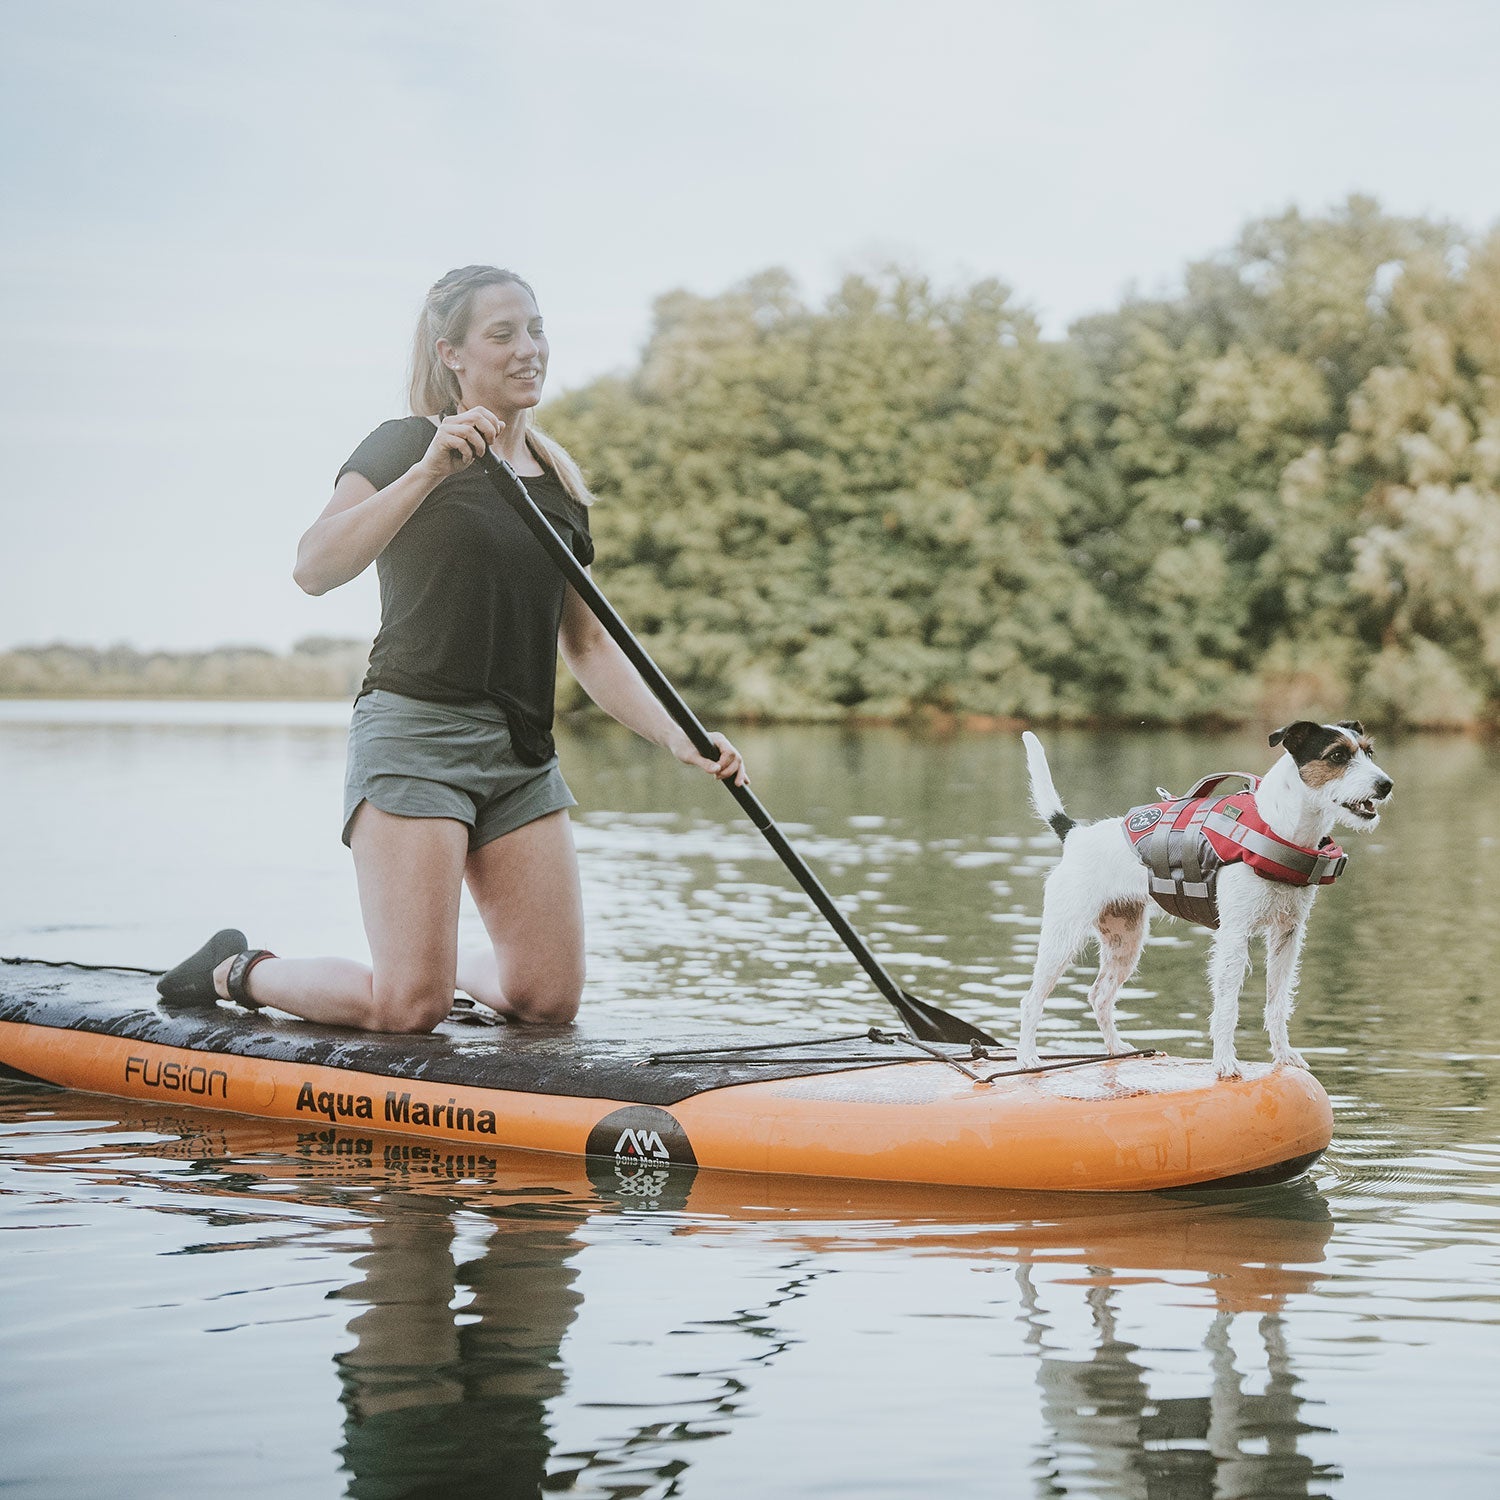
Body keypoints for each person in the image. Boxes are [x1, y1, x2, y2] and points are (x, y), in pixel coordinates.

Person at [158, 265, 745, 1032]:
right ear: (452, 354)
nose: (528, 348)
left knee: (547, 1001)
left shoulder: (558, 481)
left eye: (535, 329)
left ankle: (430, 963)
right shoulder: (405, 443)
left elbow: (590, 645)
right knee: (408, 1010)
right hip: (415, 737)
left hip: (522, 756)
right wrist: (432, 470)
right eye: (502, 334)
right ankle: (239, 971)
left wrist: (678, 733)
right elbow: (314, 567)